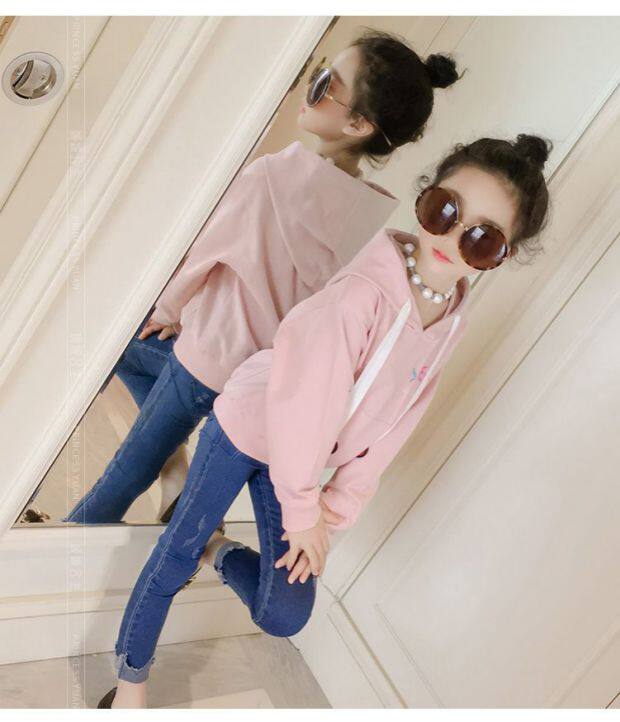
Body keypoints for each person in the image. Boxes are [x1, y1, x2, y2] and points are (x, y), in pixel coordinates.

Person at [98, 133, 552, 708]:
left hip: (301, 466)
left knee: (285, 612)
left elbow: (397, 425)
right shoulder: (363, 291)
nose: (452, 238)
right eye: (445, 210)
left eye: (482, 239)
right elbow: (304, 404)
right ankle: (130, 683)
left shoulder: (450, 319)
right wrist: (302, 510)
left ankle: (216, 547)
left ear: (502, 256)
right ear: (427, 197)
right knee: (175, 552)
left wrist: (330, 516)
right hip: (249, 427)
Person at [63, 29, 460, 526]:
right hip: (259, 381)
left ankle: (75, 535)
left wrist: (167, 310)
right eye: (318, 73)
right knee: (139, 382)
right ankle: (176, 475)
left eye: (325, 85)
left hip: (205, 355)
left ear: (358, 123)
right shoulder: (366, 224)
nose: (310, 87)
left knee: (128, 462)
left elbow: (204, 255)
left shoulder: (270, 177)